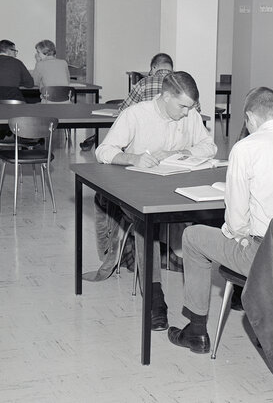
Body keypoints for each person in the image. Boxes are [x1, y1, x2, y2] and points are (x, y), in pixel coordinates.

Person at [167, 87, 273, 354]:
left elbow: (236, 220)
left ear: (250, 118)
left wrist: (239, 235)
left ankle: (196, 331)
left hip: (265, 255)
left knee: (193, 237)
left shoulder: (246, 148)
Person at [85, 71, 217, 332]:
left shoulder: (188, 114)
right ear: (166, 97)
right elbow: (104, 151)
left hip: (174, 188)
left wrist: (181, 152)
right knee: (146, 221)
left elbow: (209, 147)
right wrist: (133, 159)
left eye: (191, 107)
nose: (187, 112)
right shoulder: (135, 115)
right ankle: (155, 300)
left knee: (215, 214)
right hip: (135, 188)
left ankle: (233, 290)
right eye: (182, 106)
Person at [79, 53, 174, 151]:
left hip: (143, 140)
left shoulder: (144, 82)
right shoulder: (177, 85)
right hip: (169, 141)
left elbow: (124, 110)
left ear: (154, 68)